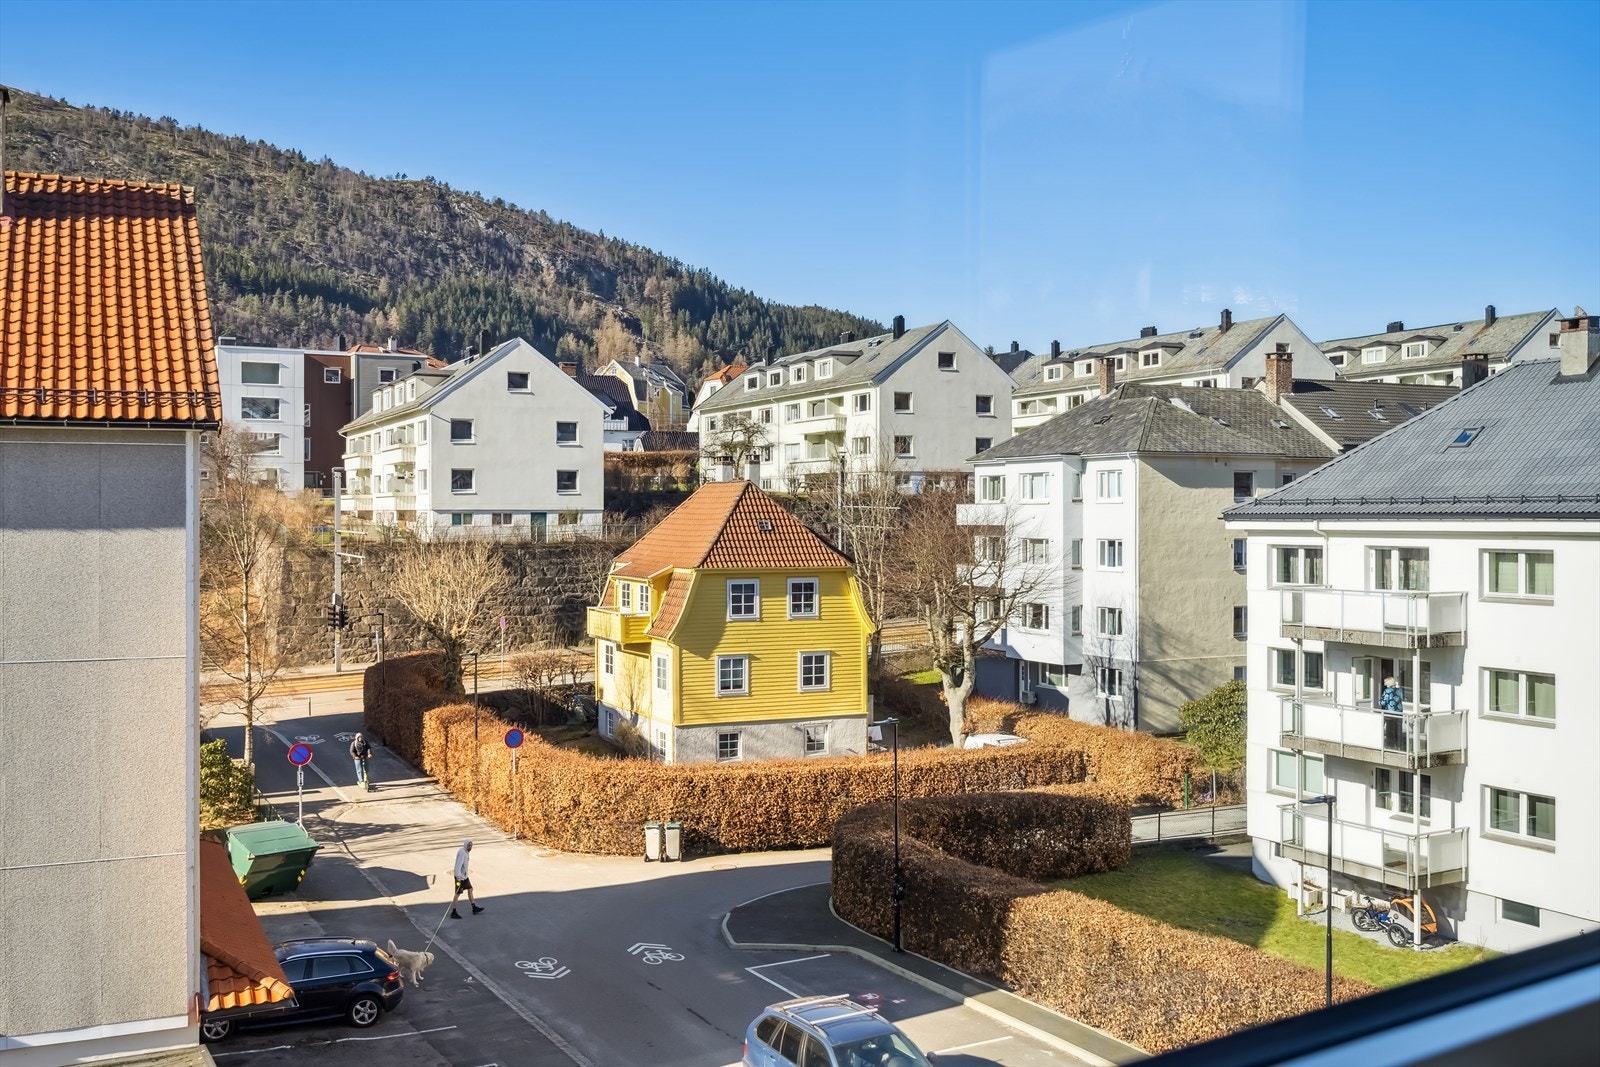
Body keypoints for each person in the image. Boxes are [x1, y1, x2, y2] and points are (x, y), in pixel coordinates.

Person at [450, 839, 484, 919]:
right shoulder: (462, 853)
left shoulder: (466, 852)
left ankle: (474, 907)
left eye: (471, 845)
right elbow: (458, 866)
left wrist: (464, 875)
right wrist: (458, 878)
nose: (470, 847)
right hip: (460, 878)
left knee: (470, 889)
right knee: (457, 894)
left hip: (464, 877)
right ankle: (453, 912)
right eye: (469, 845)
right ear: (465, 845)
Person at [1379, 676, 1405, 750]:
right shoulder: (1399, 690)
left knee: (1390, 730)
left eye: (1385, 682)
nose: (1384, 683)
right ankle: (1399, 745)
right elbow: (1401, 698)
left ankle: (1390, 745)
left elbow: (1383, 702)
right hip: (1399, 712)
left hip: (1390, 712)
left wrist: (1379, 701)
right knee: (1398, 729)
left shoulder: (1387, 691)